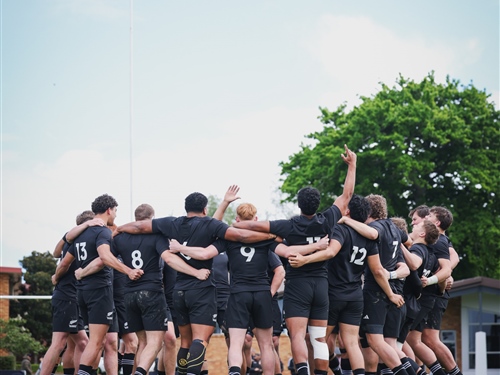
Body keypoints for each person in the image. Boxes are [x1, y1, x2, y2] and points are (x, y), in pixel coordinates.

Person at [115, 192, 279, 375]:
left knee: (185, 341)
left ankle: (181, 373)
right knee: (200, 340)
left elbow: (139, 226)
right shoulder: (210, 225)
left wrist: (118, 228)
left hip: (179, 290)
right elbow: (240, 236)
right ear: (204, 209)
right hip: (201, 289)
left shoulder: (172, 223)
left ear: (186, 208)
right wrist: (271, 235)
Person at [233, 145, 357, 375]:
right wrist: (352, 165)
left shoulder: (288, 225)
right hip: (321, 285)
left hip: (298, 285)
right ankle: (319, 372)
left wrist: (240, 224)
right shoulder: (328, 219)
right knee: (319, 338)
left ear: (298, 204)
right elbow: (346, 196)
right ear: (318, 204)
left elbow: (258, 225)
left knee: (298, 335)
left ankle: (302, 370)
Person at [289, 195, 405, 375]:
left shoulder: (341, 229)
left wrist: (305, 259)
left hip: (334, 294)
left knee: (318, 340)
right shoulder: (368, 237)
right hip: (355, 296)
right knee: (351, 342)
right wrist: (390, 294)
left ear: (348, 211)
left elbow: (330, 252)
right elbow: (376, 269)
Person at [53, 194, 143, 375]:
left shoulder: (80, 233)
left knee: (101, 342)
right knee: (94, 342)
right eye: (116, 211)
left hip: (83, 293)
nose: (116, 215)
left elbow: (63, 261)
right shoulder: (102, 231)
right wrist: (128, 271)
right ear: (109, 210)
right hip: (99, 291)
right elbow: (104, 257)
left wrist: (57, 277)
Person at [339, 194, 410, 375]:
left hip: (378, 290)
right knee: (375, 341)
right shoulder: (395, 228)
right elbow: (407, 240)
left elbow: (372, 234)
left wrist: (347, 221)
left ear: (369, 211)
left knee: (375, 341)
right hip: (393, 289)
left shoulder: (376, 226)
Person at [44, 211, 102, 375]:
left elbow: (56, 253)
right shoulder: (75, 240)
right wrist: (56, 276)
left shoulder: (74, 239)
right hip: (66, 297)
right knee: (59, 343)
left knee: (82, 342)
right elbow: (61, 261)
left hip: (73, 297)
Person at [420, 206, 462, 375]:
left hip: (436, 293)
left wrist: (442, 275)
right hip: (431, 292)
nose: (425, 217)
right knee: (419, 339)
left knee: (429, 339)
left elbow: (453, 259)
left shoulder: (440, 240)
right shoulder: (434, 238)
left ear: (436, 222)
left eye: (429, 215)